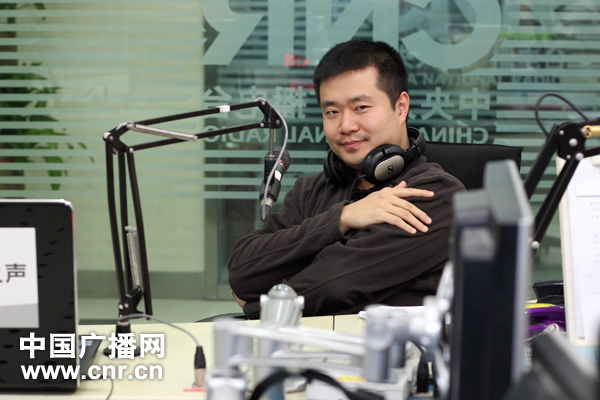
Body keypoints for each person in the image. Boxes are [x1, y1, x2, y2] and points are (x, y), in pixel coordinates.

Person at [227, 39, 465, 319]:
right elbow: (242, 272)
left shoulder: (435, 195)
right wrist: (343, 218)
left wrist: (256, 306)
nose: (346, 126)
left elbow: (335, 285)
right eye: (332, 112)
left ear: (401, 107)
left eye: (361, 107)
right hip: (300, 342)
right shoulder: (312, 190)